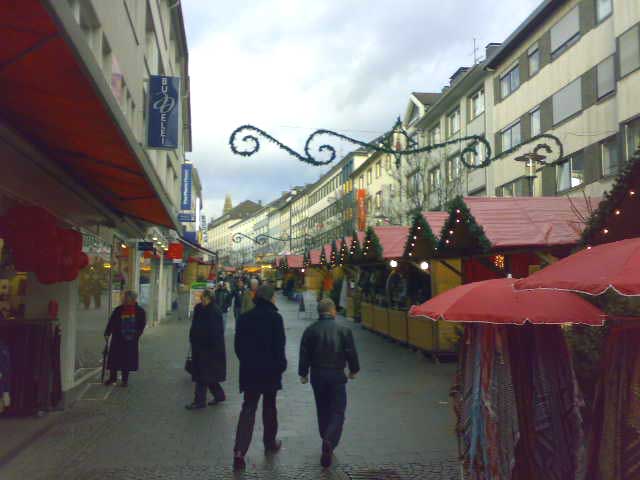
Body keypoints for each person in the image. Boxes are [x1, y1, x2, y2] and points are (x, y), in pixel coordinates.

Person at [298, 298, 360, 468]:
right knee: (338, 410)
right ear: (332, 311)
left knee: (322, 408)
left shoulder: (310, 330)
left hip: (317, 375)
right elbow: (350, 352)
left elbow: (304, 354)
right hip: (337, 375)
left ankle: (325, 436)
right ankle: (329, 440)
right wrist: (354, 370)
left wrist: (303, 373)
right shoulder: (343, 330)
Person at [232, 285, 286, 471]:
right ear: (270, 299)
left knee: (248, 408)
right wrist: (280, 367)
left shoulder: (244, 318)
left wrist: (247, 362)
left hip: (250, 371)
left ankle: (240, 451)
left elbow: (237, 347)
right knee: (269, 407)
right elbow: (280, 348)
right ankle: (269, 442)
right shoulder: (275, 318)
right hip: (270, 372)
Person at [186, 289, 226, 410]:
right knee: (207, 374)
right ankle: (219, 395)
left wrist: (209, 345)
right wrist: (192, 338)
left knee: (201, 375)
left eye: (204, 298)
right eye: (201, 298)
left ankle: (199, 401)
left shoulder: (214, 311)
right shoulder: (199, 308)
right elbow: (195, 325)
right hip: (199, 347)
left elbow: (216, 332)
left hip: (209, 349)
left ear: (209, 298)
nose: (202, 299)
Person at [104, 290, 146, 387]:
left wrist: (136, 335)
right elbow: (112, 322)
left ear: (133, 299)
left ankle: (124, 380)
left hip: (130, 340)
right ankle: (112, 378)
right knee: (114, 359)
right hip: (117, 338)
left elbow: (141, 325)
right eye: (124, 298)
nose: (124, 300)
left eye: (127, 299)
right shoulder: (118, 310)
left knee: (126, 360)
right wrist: (107, 332)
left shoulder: (139, 311)